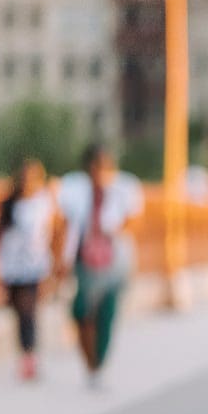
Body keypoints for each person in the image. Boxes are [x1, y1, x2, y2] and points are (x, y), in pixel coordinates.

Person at [58, 144, 145, 388]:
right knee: (80, 310)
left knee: (106, 313)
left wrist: (111, 231)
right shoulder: (74, 189)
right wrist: (62, 259)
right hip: (84, 260)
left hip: (115, 260)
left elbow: (134, 221)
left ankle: (98, 365)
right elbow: (66, 226)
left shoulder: (125, 188)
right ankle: (90, 360)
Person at [0, 159, 63, 381]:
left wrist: (56, 266)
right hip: (13, 265)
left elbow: (55, 231)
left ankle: (30, 356)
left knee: (28, 310)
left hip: (34, 265)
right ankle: (25, 354)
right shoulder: (9, 204)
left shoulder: (44, 203)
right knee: (18, 311)